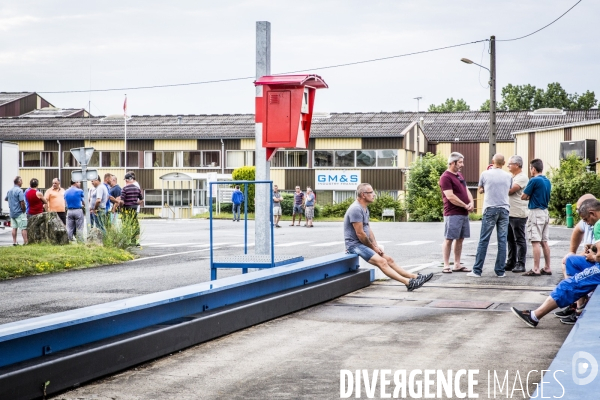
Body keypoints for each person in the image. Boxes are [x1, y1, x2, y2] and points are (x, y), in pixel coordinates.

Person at [511, 203, 600, 327]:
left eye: (586, 220)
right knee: (571, 260)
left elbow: (599, 257)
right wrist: (594, 247)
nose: (587, 224)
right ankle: (580, 305)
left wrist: (593, 256)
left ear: (592, 213)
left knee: (567, 285)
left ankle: (534, 316)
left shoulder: (598, 224)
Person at [344, 183, 432, 291]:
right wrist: (373, 248)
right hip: (355, 245)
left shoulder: (364, 208)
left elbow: (368, 229)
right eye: (371, 192)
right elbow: (360, 234)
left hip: (363, 244)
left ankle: (415, 277)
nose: (374, 194)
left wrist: (375, 245)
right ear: (363, 194)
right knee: (382, 262)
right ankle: (408, 283)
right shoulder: (356, 209)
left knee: (389, 259)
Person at [467, 154, 512, 278]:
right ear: (503, 163)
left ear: (493, 161)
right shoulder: (509, 176)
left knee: (484, 240)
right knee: (502, 241)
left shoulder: (485, 174)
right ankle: (500, 271)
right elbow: (508, 189)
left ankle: (477, 270)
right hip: (504, 209)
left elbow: (480, 189)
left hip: (490, 209)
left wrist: (486, 189)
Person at [439, 152, 474, 273]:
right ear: (452, 163)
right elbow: (450, 196)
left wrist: (471, 202)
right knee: (449, 238)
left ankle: (457, 264)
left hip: (463, 212)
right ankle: (446, 265)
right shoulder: (445, 177)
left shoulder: (459, 175)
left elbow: (466, 189)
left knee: (460, 238)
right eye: (460, 162)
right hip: (453, 212)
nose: (462, 164)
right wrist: (465, 205)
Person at [521, 159, 552, 276]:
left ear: (533, 169)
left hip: (535, 212)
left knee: (535, 242)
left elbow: (524, 196)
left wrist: (529, 196)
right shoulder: (547, 180)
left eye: (530, 168)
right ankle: (547, 267)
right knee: (544, 241)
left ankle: (536, 268)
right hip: (545, 211)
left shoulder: (533, 180)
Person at [505, 155, 529, 273]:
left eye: (510, 164)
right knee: (510, 239)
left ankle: (521, 263)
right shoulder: (510, 176)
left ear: (517, 165)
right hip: (509, 212)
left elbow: (510, 191)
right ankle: (511, 262)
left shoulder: (522, 177)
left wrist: (498, 187)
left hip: (518, 213)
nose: (508, 166)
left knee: (519, 239)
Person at [120, 173, 144, 246]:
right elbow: (142, 200)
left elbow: (122, 201)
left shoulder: (124, 189)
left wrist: (121, 206)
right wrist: (137, 203)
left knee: (126, 224)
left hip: (126, 208)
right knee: (135, 225)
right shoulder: (137, 189)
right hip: (134, 208)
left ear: (126, 180)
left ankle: (128, 241)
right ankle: (136, 241)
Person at [4, 176, 27, 246]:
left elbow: (6, 199)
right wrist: (24, 210)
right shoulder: (19, 191)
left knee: (14, 228)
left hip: (12, 213)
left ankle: (14, 242)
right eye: (21, 181)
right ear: (19, 182)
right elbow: (22, 202)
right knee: (23, 228)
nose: (22, 182)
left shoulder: (9, 191)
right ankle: (25, 242)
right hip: (19, 212)